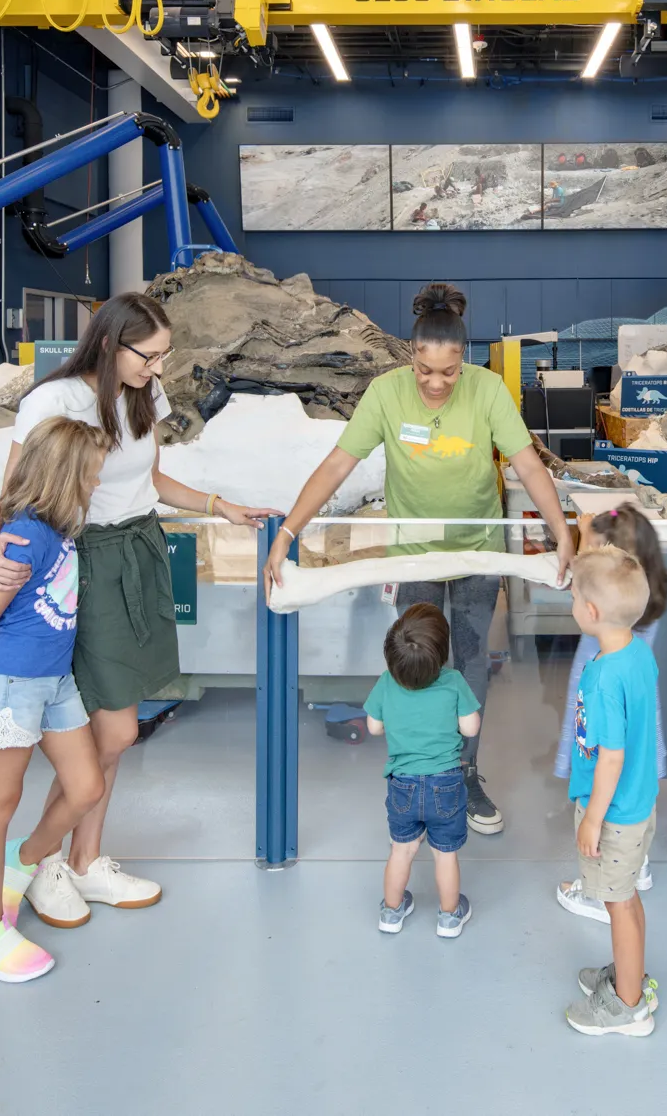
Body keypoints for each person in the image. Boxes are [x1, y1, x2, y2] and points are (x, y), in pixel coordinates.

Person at [0, 291, 280, 911]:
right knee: (109, 729)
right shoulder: (53, 402)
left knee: (118, 725)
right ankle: (43, 858)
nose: (158, 369)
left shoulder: (142, 393)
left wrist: (219, 505)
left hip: (140, 553)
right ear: (113, 344)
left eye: (164, 357)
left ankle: (84, 859)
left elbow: (149, 479)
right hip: (83, 561)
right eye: (151, 356)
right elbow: (13, 492)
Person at [264, 283, 574, 835]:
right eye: (425, 372)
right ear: (411, 358)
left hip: (478, 547)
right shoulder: (385, 394)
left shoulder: (488, 390)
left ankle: (464, 771)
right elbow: (337, 465)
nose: (436, 384)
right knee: (419, 662)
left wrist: (560, 533)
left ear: (465, 361)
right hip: (412, 556)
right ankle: (419, 772)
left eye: (448, 373)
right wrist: (288, 531)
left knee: (471, 662)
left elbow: (527, 464)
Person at [0, 415, 111, 983]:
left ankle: (21, 865)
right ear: (64, 476)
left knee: (87, 786)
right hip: (9, 686)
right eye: (90, 477)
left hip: (53, 683)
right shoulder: (22, 538)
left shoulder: (59, 532)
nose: (95, 485)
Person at [562, 546, 660, 1038]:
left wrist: (592, 819)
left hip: (615, 812)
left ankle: (627, 1006)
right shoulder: (637, 652)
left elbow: (611, 757)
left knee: (617, 904)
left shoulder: (602, 677)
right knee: (627, 899)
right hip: (639, 803)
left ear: (592, 612)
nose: (572, 601)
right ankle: (630, 977)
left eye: (575, 596)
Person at [554, 504, 667, 923]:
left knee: (602, 818)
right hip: (637, 733)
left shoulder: (603, 654)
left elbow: (587, 582)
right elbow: (598, 581)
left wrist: (583, 535)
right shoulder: (640, 619)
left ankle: (599, 894)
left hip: (605, 731)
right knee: (635, 803)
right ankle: (636, 866)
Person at [364, 602, 481, 938]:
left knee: (402, 849)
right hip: (446, 784)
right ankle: (449, 916)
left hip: (402, 785)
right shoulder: (454, 681)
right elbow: (471, 728)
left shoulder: (387, 682)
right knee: (445, 855)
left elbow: (373, 727)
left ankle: (391, 911)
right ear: (442, 653)